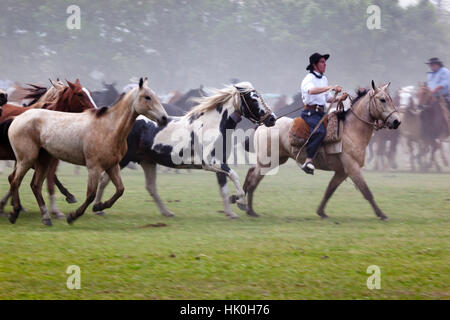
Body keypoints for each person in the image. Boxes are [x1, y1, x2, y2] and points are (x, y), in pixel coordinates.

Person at [300, 52, 348, 175]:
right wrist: (330, 87)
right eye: (322, 62)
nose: (325, 64)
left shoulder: (324, 79)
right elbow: (311, 91)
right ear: (314, 65)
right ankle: (308, 160)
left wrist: (340, 98)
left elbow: (328, 99)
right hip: (310, 112)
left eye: (324, 62)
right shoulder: (309, 78)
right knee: (320, 131)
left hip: (321, 113)